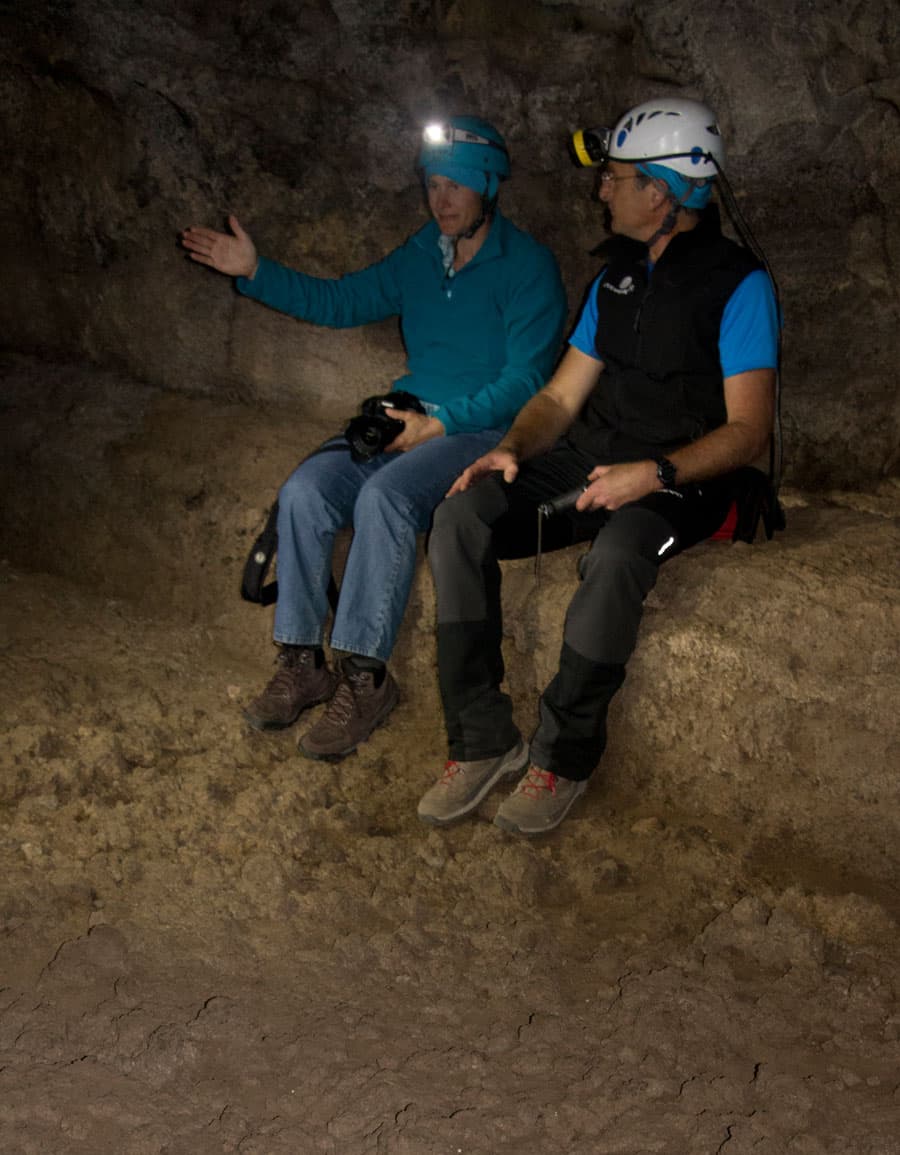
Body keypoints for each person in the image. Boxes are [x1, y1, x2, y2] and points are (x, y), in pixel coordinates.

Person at [418, 97, 781, 834]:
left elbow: (748, 432)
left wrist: (654, 475)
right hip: (595, 459)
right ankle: (483, 737)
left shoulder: (740, 285)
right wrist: (511, 449)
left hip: (687, 478)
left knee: (617, 553)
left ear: (662, 193)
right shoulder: (614, 279)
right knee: (462, 514)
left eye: (614, 177)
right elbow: (559, 395)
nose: (600, 190)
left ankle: (564, 756)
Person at [181, 116, 567, 760]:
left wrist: (441, 424)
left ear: (489, 189)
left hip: (480, 427)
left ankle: (365, 678)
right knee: (306, 490)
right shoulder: (423, 253)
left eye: (456, 188)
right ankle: (303, 659)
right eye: (433, 185)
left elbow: (530, 377)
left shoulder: (527, 267)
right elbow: (341, 302)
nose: (441, 201)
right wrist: (255, 270)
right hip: (408, 413)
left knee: (383, 499)